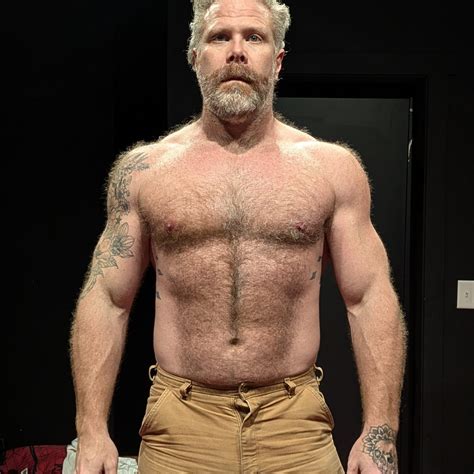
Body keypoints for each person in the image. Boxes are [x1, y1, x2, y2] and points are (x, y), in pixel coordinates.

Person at [69, 0, 408, 472]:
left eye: (254, 36)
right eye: (219, 37)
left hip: (294, 427)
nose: (236, 51)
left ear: (278, 59)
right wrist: (91, 430)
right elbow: (106, 298)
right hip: (180, 428)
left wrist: (379, 432)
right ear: (194, 56)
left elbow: (370, 297)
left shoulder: (332, 169)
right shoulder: (145, 171)